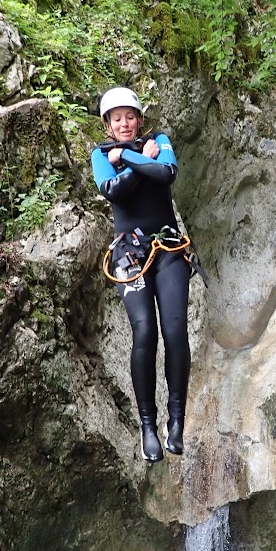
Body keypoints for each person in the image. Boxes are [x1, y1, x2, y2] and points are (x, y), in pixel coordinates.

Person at [91, 86, 191, 463]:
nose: (124, 123)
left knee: (176, 329)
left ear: (140, 119)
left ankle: (176, 421)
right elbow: (113, 190)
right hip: (129, 255)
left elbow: (165, 174)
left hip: (168, 249)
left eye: (129, 116)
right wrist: (136, 160)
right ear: (108, 125)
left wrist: (129, 157)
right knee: (145, 330)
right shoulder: (100, 155)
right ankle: (148, 425)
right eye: (116, 119)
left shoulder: (158, 141)